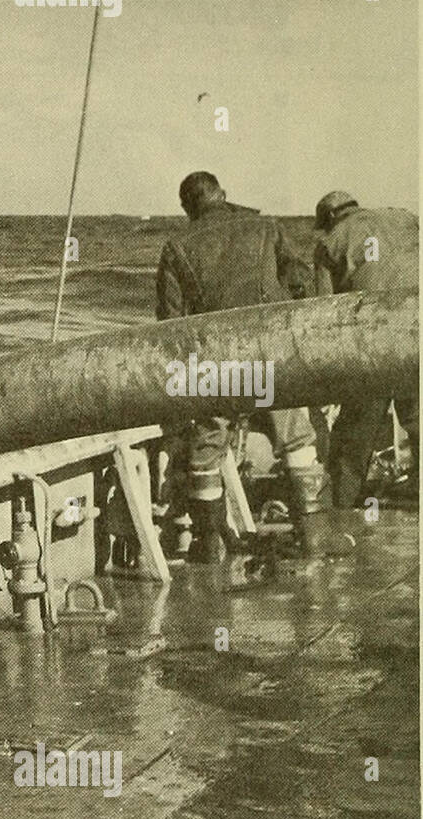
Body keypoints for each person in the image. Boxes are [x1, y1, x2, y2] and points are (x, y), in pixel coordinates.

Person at [156, 171, 323, 561]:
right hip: (270, 352)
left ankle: (209, 542)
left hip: (215, 362)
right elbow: (302, 284)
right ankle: (313, 535)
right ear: (224, 195)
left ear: (186, 208)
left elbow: (170, 323)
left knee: (206, 447)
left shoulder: (177, 245)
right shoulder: (266, 227)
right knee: (295, 438)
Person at [311, 191, 419, 506]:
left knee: (355, 430)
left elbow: (324, 312)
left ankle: (342, 504)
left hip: (372, 343)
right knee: (417, 416)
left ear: (329, 217)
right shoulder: (404, 216)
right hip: (417, 326)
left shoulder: (328, 243)